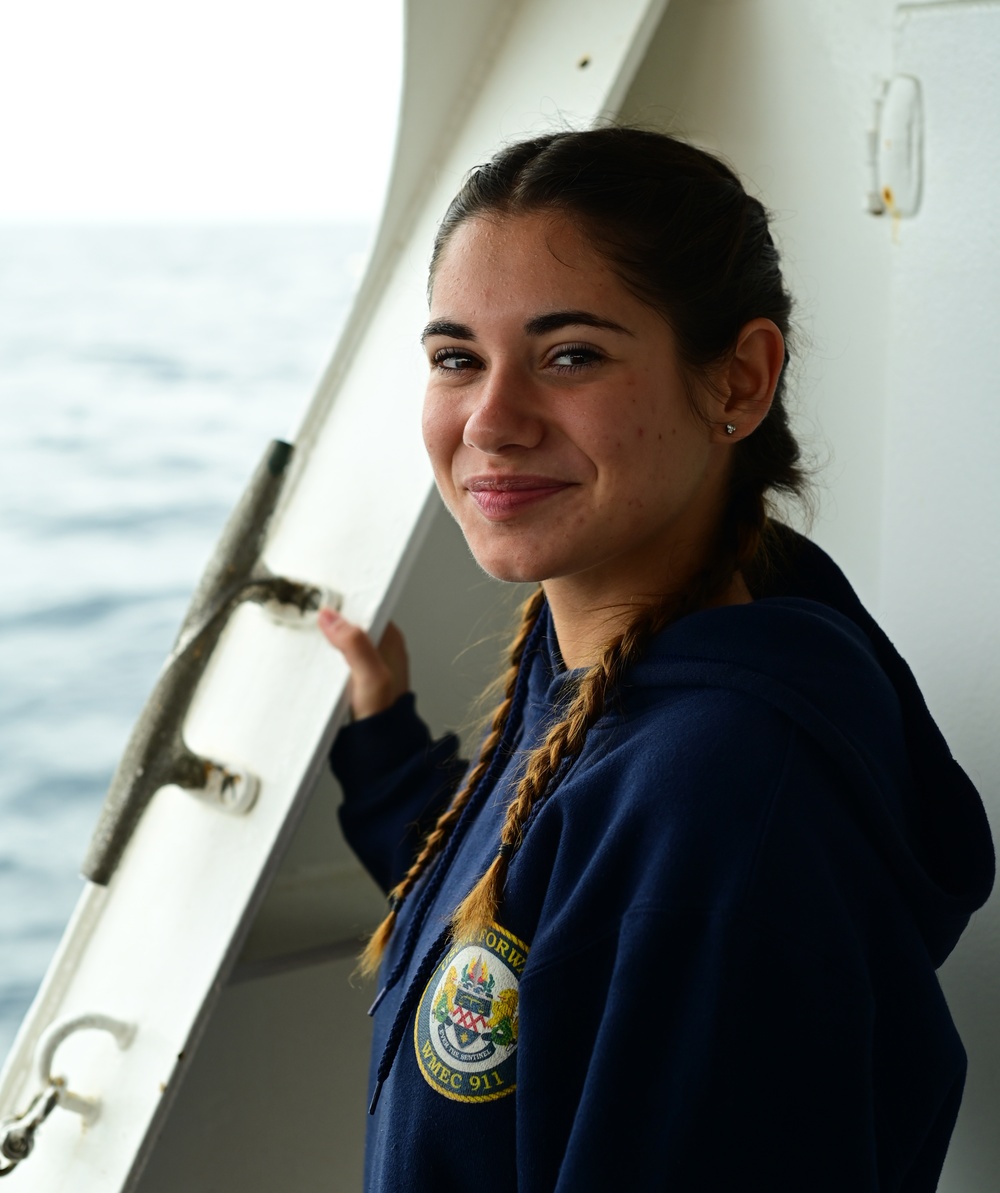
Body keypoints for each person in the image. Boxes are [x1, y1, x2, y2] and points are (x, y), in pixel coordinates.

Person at [317, 127, 994, 1191]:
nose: (490, 421)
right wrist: (385, 737)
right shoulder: (599, 671)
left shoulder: (724, 790)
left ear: (738, 378)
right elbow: (537, 895)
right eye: (457, 358)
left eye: (570, 354)